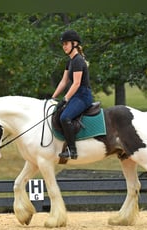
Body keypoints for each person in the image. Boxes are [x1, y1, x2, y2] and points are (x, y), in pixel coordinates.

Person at [52, 30, 93, 160]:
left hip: (83, 96)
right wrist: (53, 97)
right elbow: (64, 82)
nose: (64, 46)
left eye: (66, 44)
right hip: (76, 95)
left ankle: (72, 150)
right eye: (63, 44)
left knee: (65, 117)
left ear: (74, 44)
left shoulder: (78, 61)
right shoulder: (69, 62)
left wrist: (65, 99)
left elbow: (76, 84)